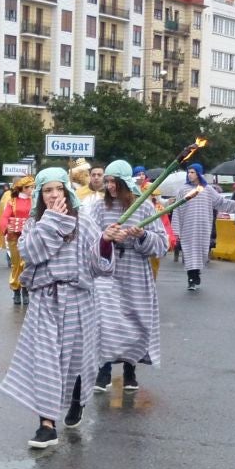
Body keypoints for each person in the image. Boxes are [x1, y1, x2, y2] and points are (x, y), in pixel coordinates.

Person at [0, 168, 118, 448]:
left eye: (58, 189)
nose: (54, 195)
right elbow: (31, 253)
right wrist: (52, 220)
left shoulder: (85, 222)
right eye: (48, 190)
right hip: (44, 300)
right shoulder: (34, 223)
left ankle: (77, 397)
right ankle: (46, 424)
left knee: (75, 360)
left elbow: (101, 268)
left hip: (78, 299)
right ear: (40, 194)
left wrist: (105, 242)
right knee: (45, 361)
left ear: (67, 191)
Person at [87, 161, 168, 393]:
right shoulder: (98, 207)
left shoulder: (144, 207)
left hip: (135, 273)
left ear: (125, 184)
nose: (110, 186)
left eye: (114, 182)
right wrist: (106, 237)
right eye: (108, 181)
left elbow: (161, 245)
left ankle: (130, 369)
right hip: (107, 273)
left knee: (134, 322)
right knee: (105, 321)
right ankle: (103, 371)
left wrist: (141, 236)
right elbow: (89, 239)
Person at [171, 163, 235, 291]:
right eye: (189, 172)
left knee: (201, 252)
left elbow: (221, 203)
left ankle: (197, 272)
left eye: (193, 172)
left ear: (199, 174)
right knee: (189, 253)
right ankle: (191, 278)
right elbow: (176, 210)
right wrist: (175, 230)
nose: (190, 174)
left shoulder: (208, 189)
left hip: (203, 227)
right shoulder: (183, 190)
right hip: (188, 227)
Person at [0, 175, 33, 304]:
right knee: (16, 264)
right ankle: (16, 290)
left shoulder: (34, 201)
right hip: (14, 237)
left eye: (33, 187)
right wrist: (7, 228)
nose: (32, 190)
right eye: (29, 187)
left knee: (27, 264)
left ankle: (25, 289)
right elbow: (4, 217)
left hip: (30, 237)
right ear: (22, 188)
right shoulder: (12, 202)